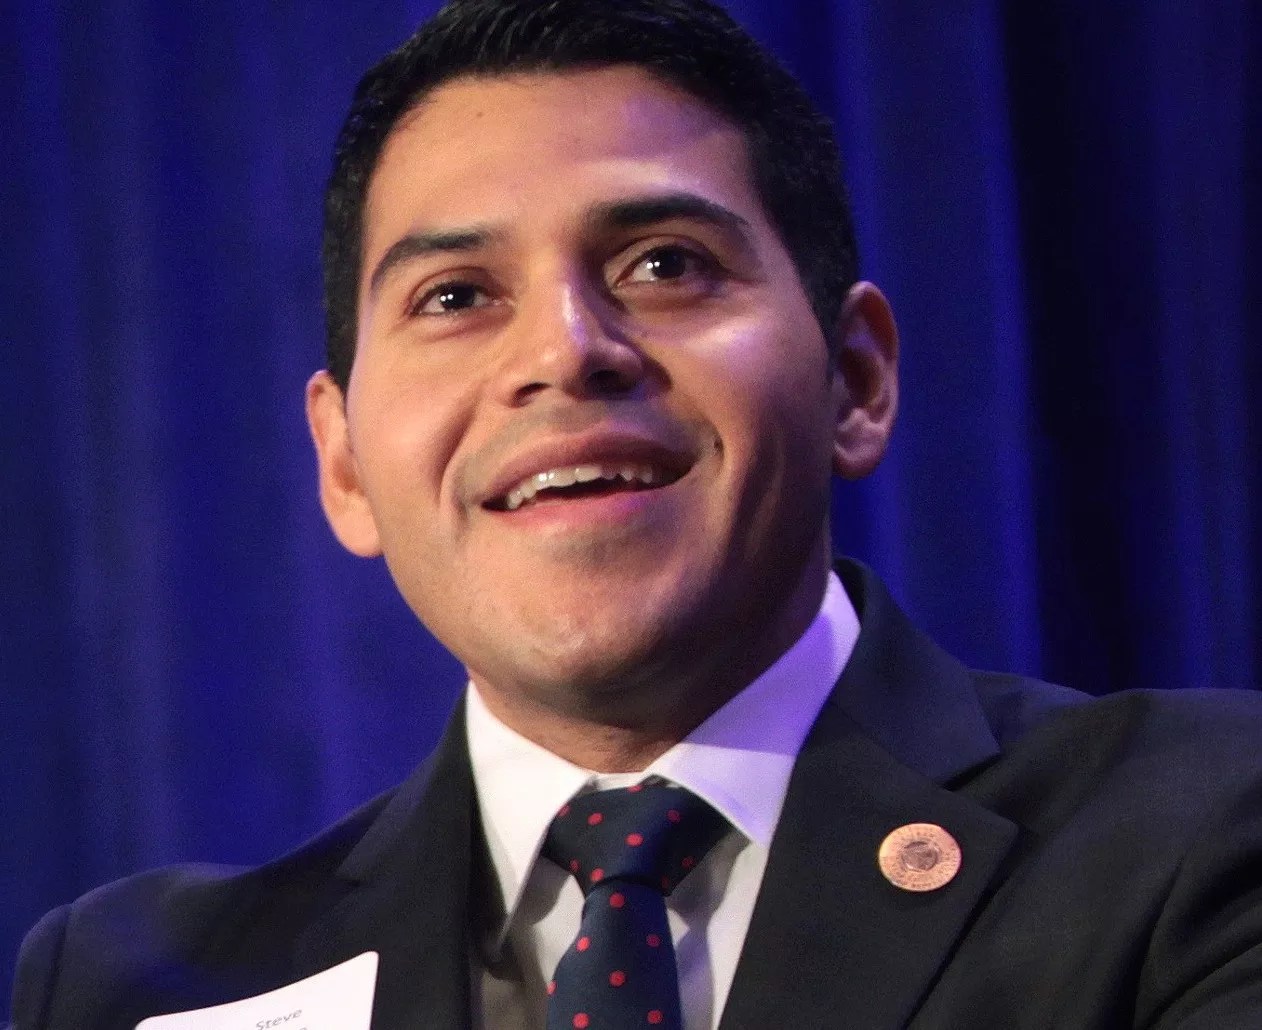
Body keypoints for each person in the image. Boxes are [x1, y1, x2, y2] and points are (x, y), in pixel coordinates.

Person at [10, 0, 1262, 1027]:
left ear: (855, 380)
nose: (564, 349)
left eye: (663, 264)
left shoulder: (1201, 836)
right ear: (342, 463)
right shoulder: (136, 987)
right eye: (455, 296)